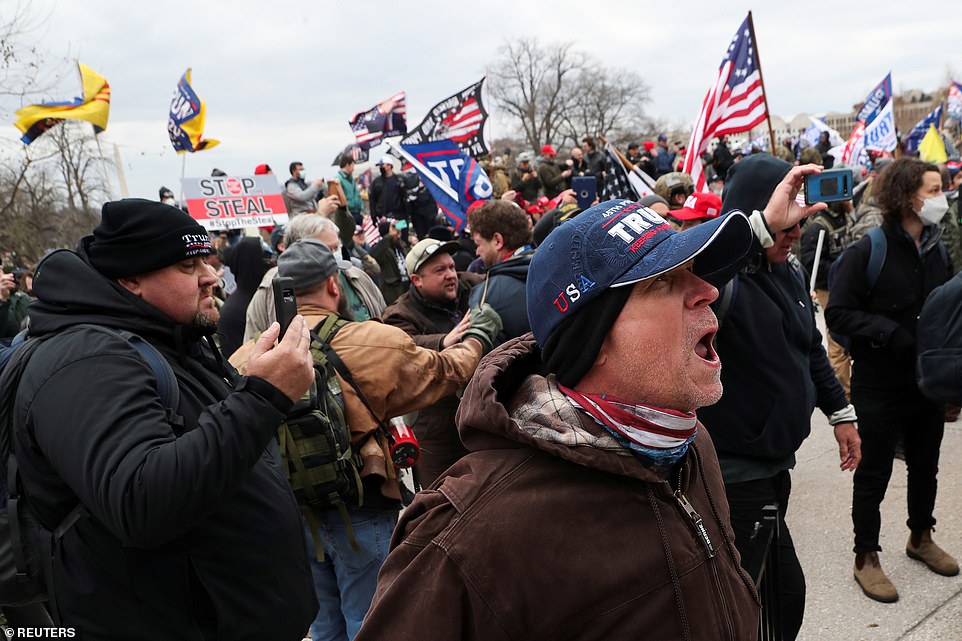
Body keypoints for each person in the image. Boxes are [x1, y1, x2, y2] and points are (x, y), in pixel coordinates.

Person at [355, 198, 760, 641]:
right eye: (663, 281)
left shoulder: (690, 442)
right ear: (594, 339)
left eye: (694, 270)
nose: (709, 290)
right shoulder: (468, 536)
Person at [12, 199, 317, 640]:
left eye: (209, 260)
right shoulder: (84, 359)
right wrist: (264, 395)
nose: (212, 276)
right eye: (188, 266)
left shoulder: (173, 337)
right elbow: (141, 500)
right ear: (131, 278)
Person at [230, 239, 501, 641]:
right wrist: (478, 334)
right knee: (373, 620)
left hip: (293, 511)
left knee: (324, 627)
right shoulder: (372, 341)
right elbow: (448, 371)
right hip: (363, 503)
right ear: (334, 284)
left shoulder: (248, 357)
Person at [698, 156, 861, 641]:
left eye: (799, 215)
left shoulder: (786, 271)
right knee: (763, 597)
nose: (794, 230)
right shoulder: (714, 280)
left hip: (775, 466)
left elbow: (809, 347)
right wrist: (758, 231)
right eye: (782, 216)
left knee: (774, 598)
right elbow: (702, 276)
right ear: (753, 215)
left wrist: (840, 412)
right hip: (734, 474)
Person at [826, 158, 958, 604]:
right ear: (906, 195)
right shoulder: (868, 250)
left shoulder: (939, 250)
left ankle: (920, 536)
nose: (941, 197)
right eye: (934, 188)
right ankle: (866, 557)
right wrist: (889, 332)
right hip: (879, 384)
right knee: (874, 474)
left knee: (926, 466)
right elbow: (837, 314)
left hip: (927, 385)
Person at [381, 238, 483, 485]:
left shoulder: (472, 285)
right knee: (441, 500)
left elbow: (500, 285)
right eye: (440, 270)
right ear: (417, 280)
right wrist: (442, 341)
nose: (451, 275)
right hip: (437, 426)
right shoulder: (398, 314)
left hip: (482, 415)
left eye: (451, 267)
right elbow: (401, 348)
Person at [243, 214, 386, 342]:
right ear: (296, 250)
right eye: (325, 249)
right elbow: (251, 349)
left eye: (336, 247)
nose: (333, 254)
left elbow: (385, 323)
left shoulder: (357, 277)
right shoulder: (268, 292)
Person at [466, 200, 535, 341]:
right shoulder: (558, 265)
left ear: (497, 241)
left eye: (478, 244)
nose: (477, 252)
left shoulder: (485, 296)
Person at [369, 219, 410, 305]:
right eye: (396, 233)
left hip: (408, 290)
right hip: (394, 294)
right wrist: (390, 236)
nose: (398, 236)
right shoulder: (383, 251)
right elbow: (374, 254)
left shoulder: (401, 247)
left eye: (399, 233)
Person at [370, 157, 403, 222]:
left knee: (400, 231)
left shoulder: (399, 180)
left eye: (382, 165)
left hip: (399, 217)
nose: (380, 168)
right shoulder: (376, 182)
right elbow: (372, 200)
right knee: (386, 231)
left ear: (389, 166)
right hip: (383, 217)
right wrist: (373, 216)